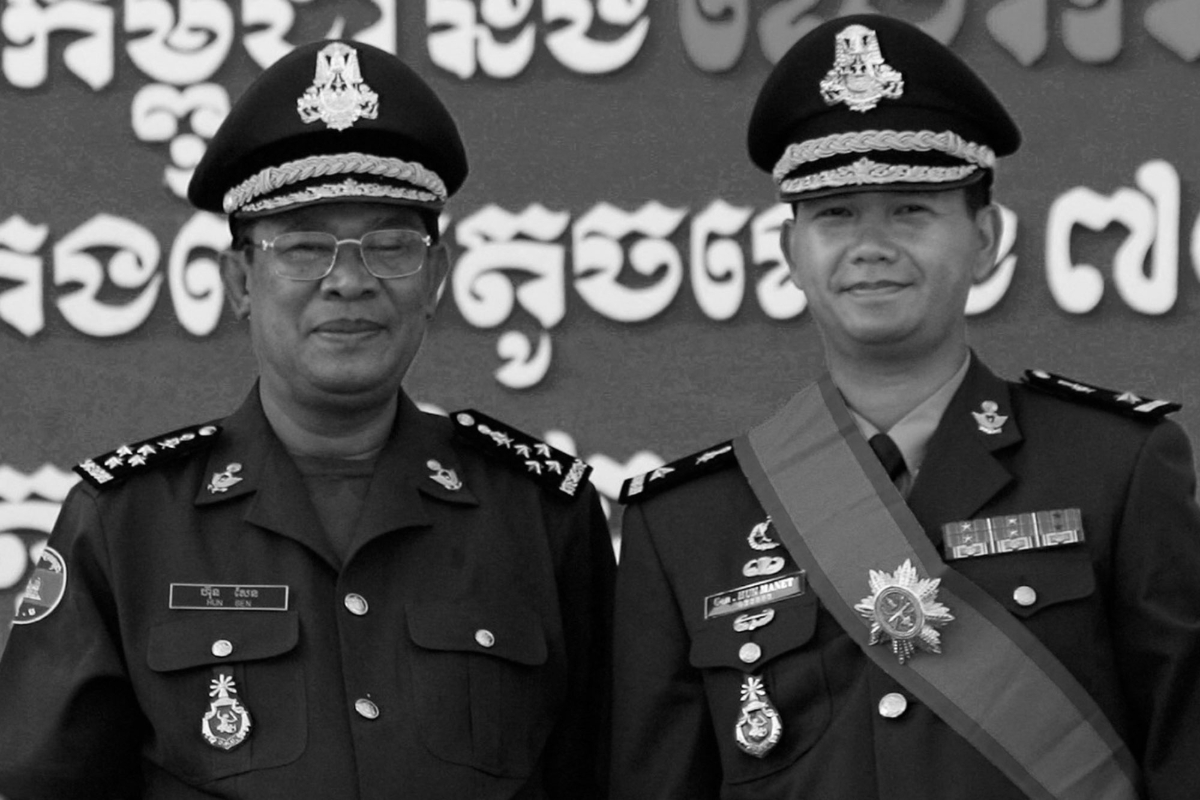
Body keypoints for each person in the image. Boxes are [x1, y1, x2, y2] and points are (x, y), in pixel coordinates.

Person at [0, 40, 613, 800]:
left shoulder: (539, 514)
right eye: (303, 247)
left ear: (437, 279)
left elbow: (609, 772)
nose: (349, 281)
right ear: (239, 281)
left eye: (390, 245)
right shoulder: (128, 522)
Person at [610, 14, 1200, 800]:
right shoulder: (686, 523)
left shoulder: (1117, 466)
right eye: (836, 214)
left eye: (911, 209)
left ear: (985, 237)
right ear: (789, 252)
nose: (871, 244)